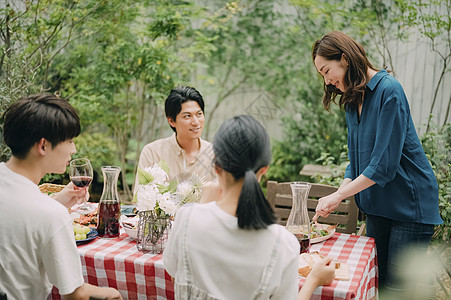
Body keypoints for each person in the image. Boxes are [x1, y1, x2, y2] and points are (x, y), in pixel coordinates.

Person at [311, 31, 443, 289]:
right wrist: (340, 191)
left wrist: (338, 197)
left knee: (398, 290)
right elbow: (356, 161)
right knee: (376, 284)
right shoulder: (351, 99)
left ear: (345, 59)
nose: (327, 81)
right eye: (322, 75)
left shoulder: (389, 91)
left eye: (327, 71)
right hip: (378, 206)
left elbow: (382, 167)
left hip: (409, 205)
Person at [163, 115, 335, 299]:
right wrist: (313, 279)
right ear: (264, 169)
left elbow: (176, 276)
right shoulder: (283, 244)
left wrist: (204, 201)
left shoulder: (186, 219)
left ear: (216, 167)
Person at [0, 93, 122, 300]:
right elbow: (75, 295)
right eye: (70, 141)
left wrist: (58, 201)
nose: (73, 150)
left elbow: (19, 214)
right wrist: (112, 293)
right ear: (43, 146)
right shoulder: (51, 215)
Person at [135, 86, 215, 187]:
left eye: (199, 114)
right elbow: (141, 197)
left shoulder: (215, 155)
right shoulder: (152, 153)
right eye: (187, 116)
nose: (196, 122)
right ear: (171, 121)